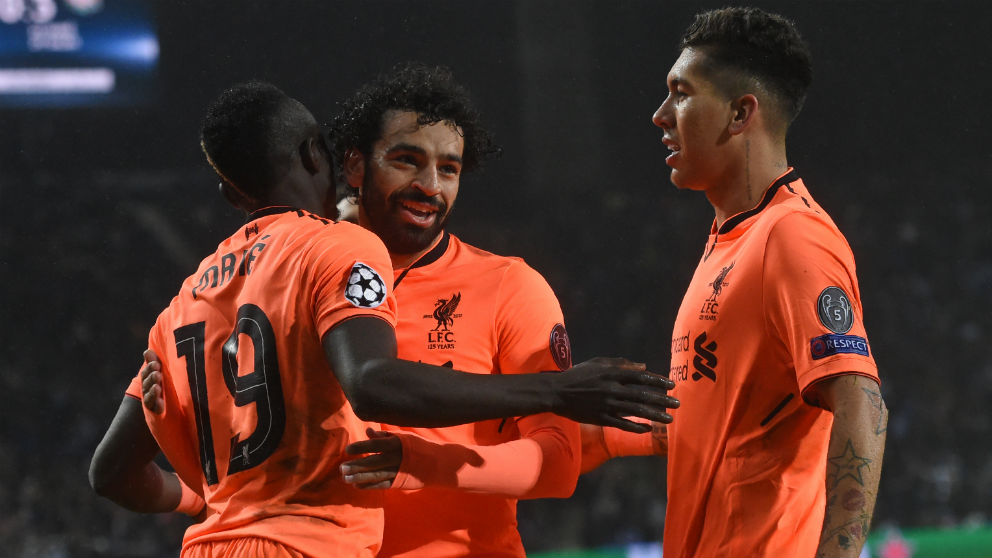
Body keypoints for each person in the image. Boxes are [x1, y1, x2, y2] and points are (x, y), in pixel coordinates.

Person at [89, 80, 677, 558]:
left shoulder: (508, 285)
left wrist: (423, 464)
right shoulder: (295, 272)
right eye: (407, 160)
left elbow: (556, 466)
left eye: (449, 169)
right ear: (351, 163)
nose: (430, 186)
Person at [637, 7, 886, 558]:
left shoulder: (793, 236)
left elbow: (861, 402)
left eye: (681, 93)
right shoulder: (729, 240)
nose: (660, 115)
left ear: (739, 113)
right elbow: (721, 421)